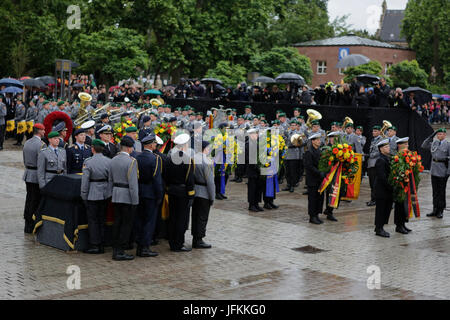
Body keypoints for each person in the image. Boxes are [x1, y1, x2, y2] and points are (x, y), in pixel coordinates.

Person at [109, 136, 139, 261]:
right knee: (126, 225)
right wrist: (135, 200)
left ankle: (116, 249)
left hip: (116, 194)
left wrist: (111, 193)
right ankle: (120, 251)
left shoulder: (113, 159)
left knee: (117, 223)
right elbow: (133, 184)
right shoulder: (131, 161)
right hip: (127, 195)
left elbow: (110, 179)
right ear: (128, 147)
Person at [164, 133, 196, 252]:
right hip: (183, 193)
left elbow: (165, 176)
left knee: (173, 217)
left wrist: (168, 188)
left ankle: (173, 243)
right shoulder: (187, 160)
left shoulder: (169, 159)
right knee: (181, 219)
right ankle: (178, 243)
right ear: (184, 145)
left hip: (171, 191)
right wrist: (191, 194)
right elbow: (190, 179)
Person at [133, 134, 163, 257]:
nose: (155, 145)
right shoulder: (155, 159)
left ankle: (140, 245)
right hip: (150, 193)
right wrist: (159, 195)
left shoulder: (137, 157)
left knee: (140, 219)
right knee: (149, 221)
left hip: (139, 191)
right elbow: (157, 179)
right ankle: (145, 247)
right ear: (151, 145)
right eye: (155, 144)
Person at [80, 139, 112, 254]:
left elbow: (85, 182)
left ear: (92, 149)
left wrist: (84, 195)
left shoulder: (88, 162)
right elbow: (111, 180)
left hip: (92, 194)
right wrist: (108, 194)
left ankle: (94, 245)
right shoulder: (108, 161)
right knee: (101, 219)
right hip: (104, 193)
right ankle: (102, 243)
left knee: (92, 220)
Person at [22, 123, 47, 233]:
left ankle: (27, 222)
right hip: (36, 174)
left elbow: (24, 159)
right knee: (35, 200)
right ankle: (32, 223)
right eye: (43, 130)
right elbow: (42, 162)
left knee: (29, 199)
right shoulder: (41, 144)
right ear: (39, 131)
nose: (45, 132)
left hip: (28, 173)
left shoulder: (27, 142)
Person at [191, 141, 215, 249]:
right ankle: (198, 240)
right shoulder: (207, 161)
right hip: (204, 192)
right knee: (202, 217)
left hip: (195, 190)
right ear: (205, 148)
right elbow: (210, 182)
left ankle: (194, 237)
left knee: (195, 216)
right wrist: (212, 197)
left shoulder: (193, 158)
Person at [421, 128, 449, 219]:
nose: (439, 136)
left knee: (441, 191)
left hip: (443, 170)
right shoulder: (434, 143)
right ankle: (435, 209)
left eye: (441, 134)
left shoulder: (448, 145)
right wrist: (431, 136)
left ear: (445, 135)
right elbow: (424, 145)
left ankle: (440, 210)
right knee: (435, 192)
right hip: (434, 169)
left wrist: (448, 172)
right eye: (438, 134)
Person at [374, 139, 393, 237]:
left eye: (388, 146)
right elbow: (382, 177)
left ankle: (380, 227)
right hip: (382, 189)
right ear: (381, 149)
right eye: (386, 147)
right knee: (381, 210)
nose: (388, 148)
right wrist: (391, 186)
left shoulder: (387, 158)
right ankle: (379, 228)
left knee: (386, 208)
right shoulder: (380, 160)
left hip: (386, 189)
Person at [304, 133, 325, 224]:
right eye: (317, 140)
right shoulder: (309, 152)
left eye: (319, 140)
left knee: (319, 198)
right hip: (312, 179)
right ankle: (312, 216)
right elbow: (309, 166)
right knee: (312, 198)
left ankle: (317, 214)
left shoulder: (319, 151)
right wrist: (319, 172)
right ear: (312, 141)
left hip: (319, 179)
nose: (319, 141)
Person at [393, 137, 412, 234]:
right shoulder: (397, 157)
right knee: (399, 206)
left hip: (406, 184)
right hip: (399, 185)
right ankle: (399, 225)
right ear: (400, 145)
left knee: (405, 205)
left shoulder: (406, 156)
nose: (408, 146)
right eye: (406, 144)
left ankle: (403, 223)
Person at [246, 129, 263, 212]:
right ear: (249, 135)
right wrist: (256, 165)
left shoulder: (257, 143)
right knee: (252, 188)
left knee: (258, 187)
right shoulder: (248, 144)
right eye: (253, 134)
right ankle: (251, 205)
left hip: (259, 169)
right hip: (252, 170)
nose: (255, 136)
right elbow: (248, 158)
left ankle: (257, 203)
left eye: (256, 134)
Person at [283, 120, 302, 193]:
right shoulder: (288, 132)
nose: (292, 127)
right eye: (291, 125)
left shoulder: (298, 133)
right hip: (287, 154)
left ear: (296, 126)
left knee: (293, 171)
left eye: (294, 125)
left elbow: (297, 143)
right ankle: (288, 184)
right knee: (287, 171)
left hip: (294, 153)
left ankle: (292, 185)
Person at [367, 125, 382, 206]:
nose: (373, 132)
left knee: (374, 183)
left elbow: (379, 151)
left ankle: (374, 199)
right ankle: (373, 199)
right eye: (373, 131)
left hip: (375, 164)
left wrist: (370, 155)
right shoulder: (373, 140)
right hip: (370, 163)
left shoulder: (381, 140)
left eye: (375, 131)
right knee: (371, 183)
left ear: (379, 132)